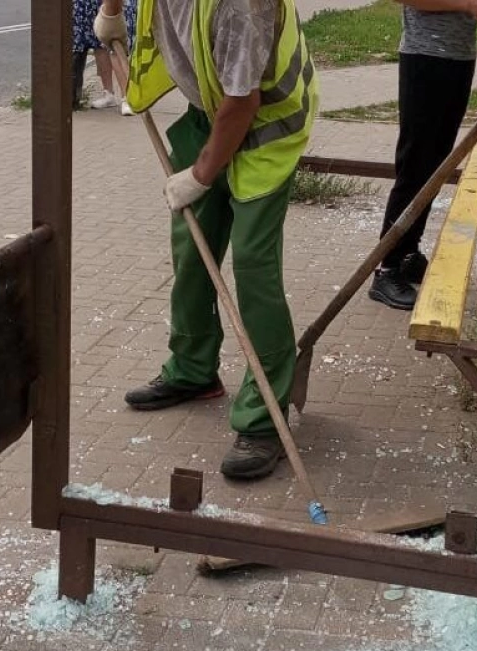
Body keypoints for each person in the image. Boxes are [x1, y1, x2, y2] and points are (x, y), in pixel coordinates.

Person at [95, 0, 318, 480]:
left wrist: (200, 174)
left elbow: (243, 103)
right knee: (193, 249)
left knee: (253, 263)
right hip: (208, 110)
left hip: (262, 122)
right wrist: (112, 11)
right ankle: (193, 369)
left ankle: (265, 416)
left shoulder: (243, 6)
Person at [368, 0, 477, 310]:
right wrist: (472, 5)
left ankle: (407, 252)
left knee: (435, 164)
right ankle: (386, 267)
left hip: (458, 57)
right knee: (416, 164)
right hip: (425, 59)